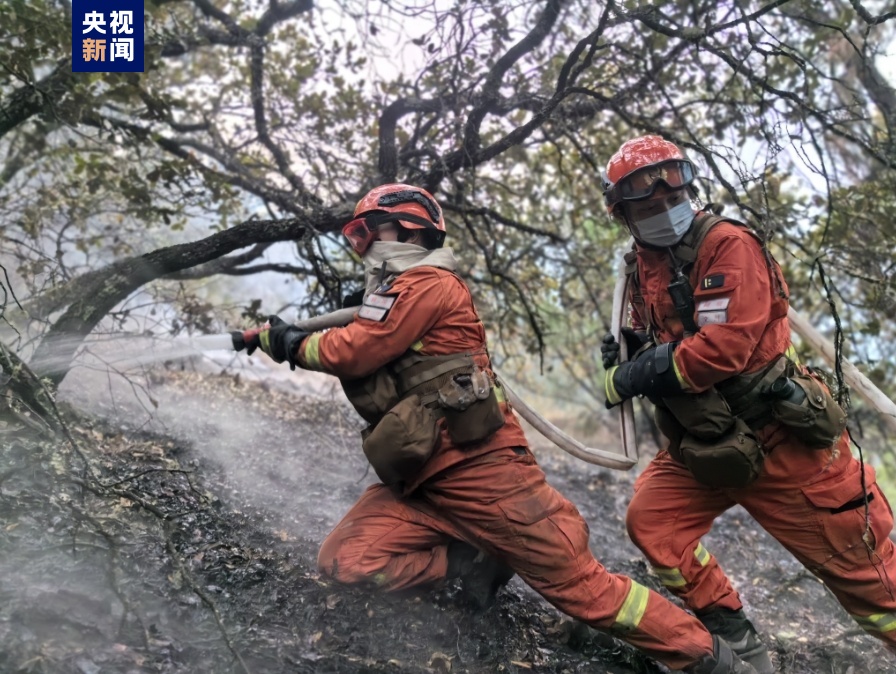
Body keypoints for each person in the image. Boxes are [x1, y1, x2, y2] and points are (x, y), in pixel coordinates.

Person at [243, 183, 756, 673]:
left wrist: (289, 343)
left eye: (370, 233)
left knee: (586, 591)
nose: (364, 248)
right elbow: (366, 338)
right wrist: (272, 336)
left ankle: (712, 659)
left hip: (485, 476)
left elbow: (351, 352)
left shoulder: (430, 284)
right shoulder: (395, 294)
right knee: (346, 560)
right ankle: (471, 562)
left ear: (411, 231)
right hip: (424, 483)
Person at [600, 134, 896, 673]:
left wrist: (640, 372)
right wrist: (631, 351)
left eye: (673, 198)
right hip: (708, 443)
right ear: (624, 213)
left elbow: (726, 349)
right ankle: (737, 641)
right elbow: (665, 334)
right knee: (653, 524)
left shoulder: (728, 245)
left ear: (690, 188)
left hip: (783, 442)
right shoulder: (644, 265)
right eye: (649, 204)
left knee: (873, 589)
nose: (666, 210)